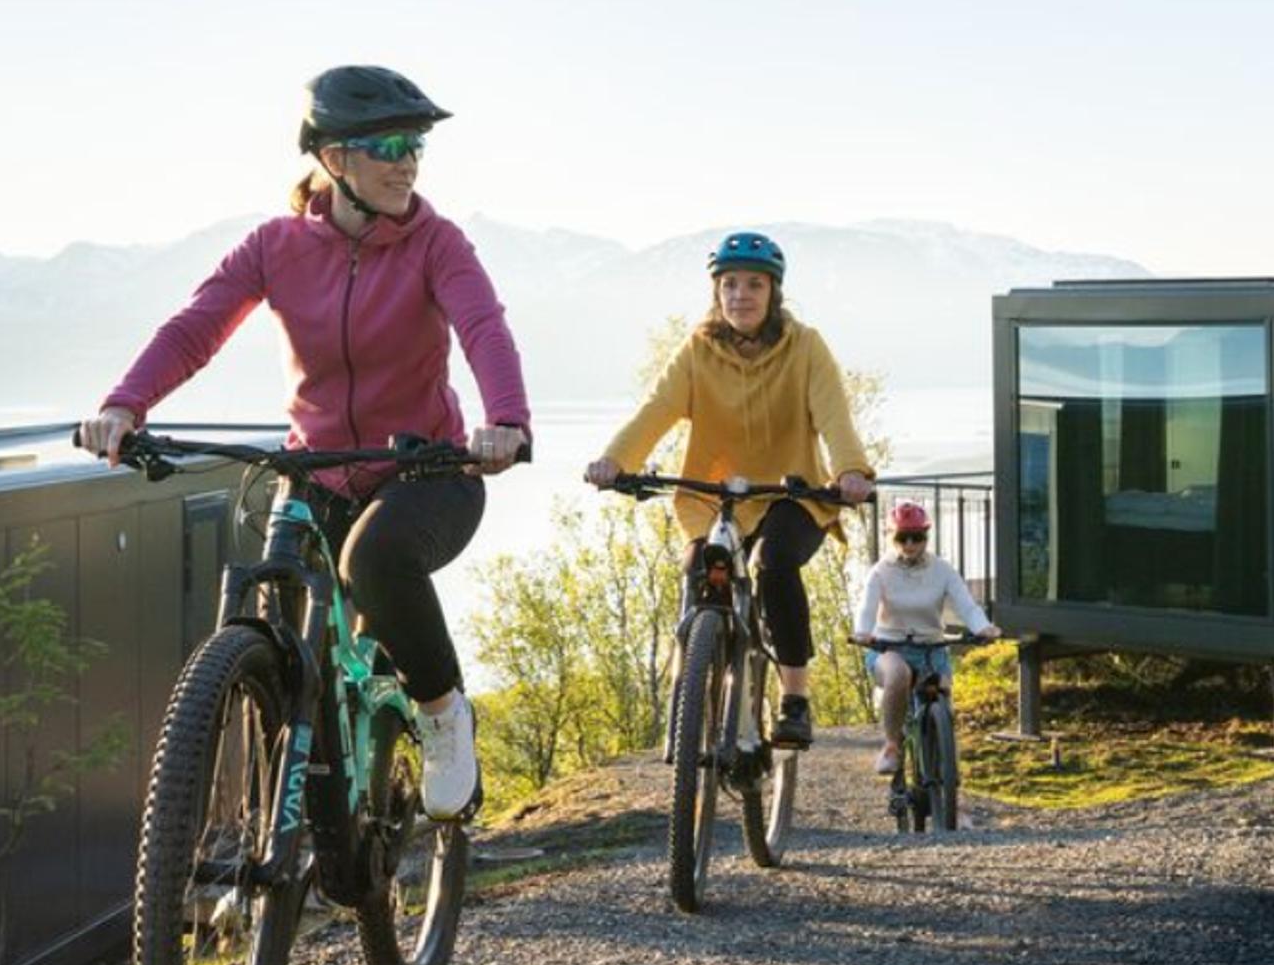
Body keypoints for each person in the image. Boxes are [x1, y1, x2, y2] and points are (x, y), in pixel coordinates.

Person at [77, 64, 530, 818]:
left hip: (427, 471)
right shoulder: (275, 246)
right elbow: (197, 326)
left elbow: (484, 327)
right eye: (387, 144)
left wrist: (507, 422)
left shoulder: (437, 244)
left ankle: (444, 713)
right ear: (332, 157)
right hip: (316, 469)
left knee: (375, 562)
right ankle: (283, 828)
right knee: (285, 611)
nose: (407, 160)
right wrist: (125, 406)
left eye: (415, 143)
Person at [580, 230, 875, 751]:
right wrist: (616, 460)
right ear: (716, 291)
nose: (741, 294)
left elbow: (833, 416)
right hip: (713, 497)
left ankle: (795, 700)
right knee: (700, 567)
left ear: (773, 292)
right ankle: (695, 687)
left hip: (791, 494)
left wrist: (850, 471)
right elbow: (657, 409)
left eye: (754, 285)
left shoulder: (805, 347)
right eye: (730, 284)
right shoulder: (698, 350)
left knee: (775, 564)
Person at [854, 498, 999, 774]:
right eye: (902, 537)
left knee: (944, 710)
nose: (910, 544)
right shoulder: (880, 571)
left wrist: (983, 627)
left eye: (917, 537)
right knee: (898, 676)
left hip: (931, 650)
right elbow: (867, 607)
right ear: (891, 537)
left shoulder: (942, 570)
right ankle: (891, 746)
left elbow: (966, 604)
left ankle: (953, 800)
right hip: (888, 648)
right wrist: (862, 632)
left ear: (926, 537)